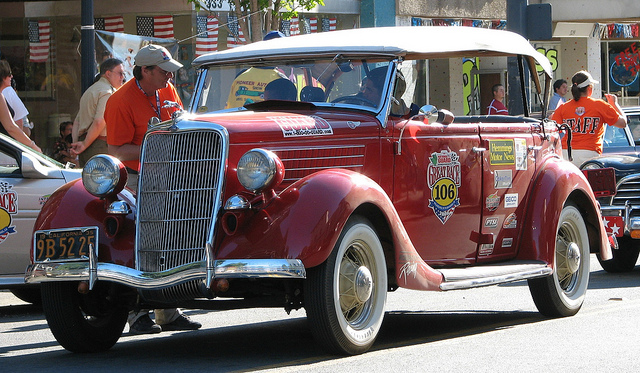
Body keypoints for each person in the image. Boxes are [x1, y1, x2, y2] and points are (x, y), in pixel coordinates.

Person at [104, 44, 202, 335]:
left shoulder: (166, 90)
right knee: (140, 242)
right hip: (136, 178)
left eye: (170, 72)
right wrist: (154, 139)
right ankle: (137, 314)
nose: (169, 78)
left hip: (169, 176)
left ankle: (169, 312)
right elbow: (116, 152)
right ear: (144, 71)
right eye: (163, 72)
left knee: (171, 241)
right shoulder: (120, 101)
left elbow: (180, 122)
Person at [552, 70, 627, 167]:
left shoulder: (563, 107)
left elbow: (553, 130)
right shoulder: (599, 105)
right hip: (590, 155)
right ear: (589, 88)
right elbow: (623, 123)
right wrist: (614, 104)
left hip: (566, 153)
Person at [70, 58, 125, 167]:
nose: (122, 77)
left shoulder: (90, 91)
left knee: (87, 182)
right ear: (108, 74)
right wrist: (84, 144)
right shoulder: (107, 92)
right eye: (120, 73)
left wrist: (77, 144)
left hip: (86, 145)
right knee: (105, 183)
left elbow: (77, 122)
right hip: (99, 146)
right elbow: (100, 121)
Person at [0, 61, 41, 152]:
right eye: (9, 74)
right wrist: (32, 146)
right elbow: (11, 127)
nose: (12, 77)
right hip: (4, 152)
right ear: (2, 77)